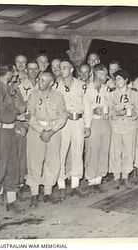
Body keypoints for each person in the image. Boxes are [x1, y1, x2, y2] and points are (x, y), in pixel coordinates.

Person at [26, 72, 67, 207]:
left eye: (43, 80)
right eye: (39, 79)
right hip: (36, 132)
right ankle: (34, 194)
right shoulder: (33, 95)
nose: (40, 82)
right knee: (34, 161)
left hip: (54, 132)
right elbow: (29, 116)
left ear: (51, 83)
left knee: (52, 161)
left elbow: (63, 117)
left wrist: (52, 131)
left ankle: (48, 192)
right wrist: (41, 131)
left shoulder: (58, 96)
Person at [56, 60, 91, 200]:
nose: (62, 69)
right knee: (61, 152)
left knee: (77, 151)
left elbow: (87, 106)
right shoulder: (56, 86)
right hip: (63, 123)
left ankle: (75, 184)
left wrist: (87, 125)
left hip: (78, 122)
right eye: (60, 67)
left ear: (71, 70)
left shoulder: (81, 85)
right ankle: (61, 184)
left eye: (65, 67)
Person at [0, 65, 25, 213]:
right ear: (8, 73)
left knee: (12, 166)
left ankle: (11, 201)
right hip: (0, 131)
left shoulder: (6, 88)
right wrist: (17, 111)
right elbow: (2, 115)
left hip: (10, 131)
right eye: (13, 73)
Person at [109, 69, 138, 190]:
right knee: (115, 152)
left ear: (126, 80)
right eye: (116, 79)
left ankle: (126, 175)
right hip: (116, 126)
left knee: (128, 152)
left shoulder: (133, 93)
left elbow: (137, 111)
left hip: (129, 126)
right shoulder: (112, 93)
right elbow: (109, 110)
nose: (118, 81)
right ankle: (116, 176)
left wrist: (131, 113)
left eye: (120, 79)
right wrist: (117, 113)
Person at [84, 64, 111, 193]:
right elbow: (85, 109)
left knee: (104, 149)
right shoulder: (88, 89)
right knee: (92, 150)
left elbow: (110, 104)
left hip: (105, 122)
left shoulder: (106, 89)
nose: (106, 77)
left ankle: (99, 179)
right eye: (104, 74)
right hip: (93, 121)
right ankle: (91, 179)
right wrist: (87, 126)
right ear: (97, 74)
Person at [15, 61, 40, 198]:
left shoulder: (42, 83)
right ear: (26, 70)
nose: (33, 71)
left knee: (36, 154)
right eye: (30, 69)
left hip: (38, 122)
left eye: (36, 69)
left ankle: (35, 182)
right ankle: (22, 181)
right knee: (24, 154)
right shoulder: (21, 85)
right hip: (26, 122)